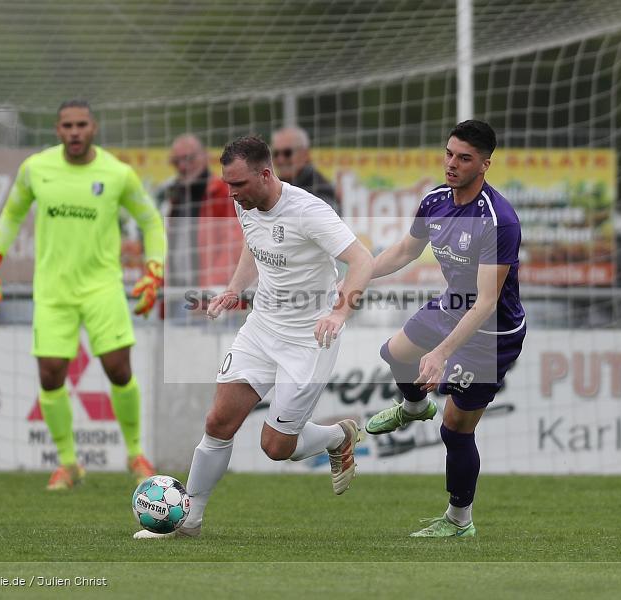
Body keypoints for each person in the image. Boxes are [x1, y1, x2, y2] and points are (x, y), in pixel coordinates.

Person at [134, 136, 373, 539]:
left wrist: (339, 311)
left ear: (266, 174)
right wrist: (234, 289)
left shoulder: (309, 211)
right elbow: (254, 247)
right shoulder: (245, 202)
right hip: (261, 328)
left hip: (308, 340)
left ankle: (337, 435)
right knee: (218, 421)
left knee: (276, 447)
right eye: (228, 184)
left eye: (239, 185)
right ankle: (188, 520)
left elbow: (362, 260)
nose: (232, 193)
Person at [0, 100, 166, 490]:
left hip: (102, 287)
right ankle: (68, 463)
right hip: (52, 290)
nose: (75, 132)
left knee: (118, 369)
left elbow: (150, 220)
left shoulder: (117, 173)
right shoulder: (36, 169)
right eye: (67, 125)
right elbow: (11, 215)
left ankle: (135, 454)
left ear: (93, 127)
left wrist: (154, 269)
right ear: (57, 130)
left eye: (82, 124)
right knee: (50, 376)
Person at [364, 120, 525, 538]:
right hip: (454, 306)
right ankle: (415, 406)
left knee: (455, 428)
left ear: (485, 164)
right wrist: (359, 275)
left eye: (464, 158)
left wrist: (439, 354)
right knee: (395, 353)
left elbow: (487, 302)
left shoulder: (498, 220)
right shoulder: (436, 199)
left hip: (491, 333)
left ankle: (459, 521)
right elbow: (405, 250)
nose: (452, 164)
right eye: (449, 153)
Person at [156, 134, 240, 290]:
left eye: (189, 158)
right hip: (175, 290)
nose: (182, 166)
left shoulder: (223, 193)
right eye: (176, 161)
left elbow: (233, 248)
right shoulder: (173, 196)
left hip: (211, 292)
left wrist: (209, 292)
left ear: (205, 156)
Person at [271, 125, 339, 214]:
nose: (281, 159)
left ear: (305, 154)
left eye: (287, 153)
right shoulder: (275, 185)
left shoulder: (320, 187)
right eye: (276, 154)